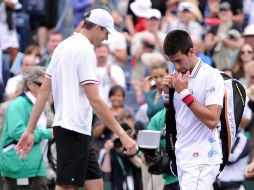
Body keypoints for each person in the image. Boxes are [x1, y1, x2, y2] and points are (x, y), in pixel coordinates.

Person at [15, 8, 137, 190]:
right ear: (96, 27)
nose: (106, 38)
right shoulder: (85, 50)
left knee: (96, 185)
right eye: (105, 32)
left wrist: (30, 130)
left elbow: (43, 92)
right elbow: (95, 100)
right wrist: (122, 135)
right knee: (66, 187)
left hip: (74, 129)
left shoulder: (62, 46)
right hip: (73, 130)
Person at [162, 30, 225, 190]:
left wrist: (184, 93)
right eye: (171, 61)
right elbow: (174, 112)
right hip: (183, 155)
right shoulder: (177, 76)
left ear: (191, 51)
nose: (176, 66)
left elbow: (212, 120)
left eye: (178, 60)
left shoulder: (211, 76)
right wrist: (166, 93)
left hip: (202, 158)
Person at [0, 66, 53, 190]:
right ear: (30, 84)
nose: (46, 87)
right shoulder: (19, 104)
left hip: (35, 167)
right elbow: (18, 133)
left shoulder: (39, 104)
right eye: (42, 84)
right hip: (21, 167)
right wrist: (48, 133)